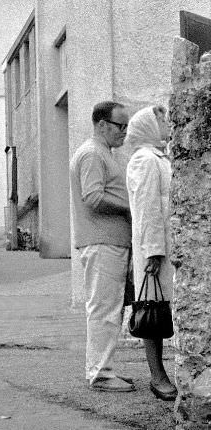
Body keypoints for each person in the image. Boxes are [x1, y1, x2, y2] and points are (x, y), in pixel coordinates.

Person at [69, 101, 134, 392]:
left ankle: (103, 369)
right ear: (102, 125)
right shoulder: (93, 153)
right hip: (102, 242)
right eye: (121, 126)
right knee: (104, 310)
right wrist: (131, 206)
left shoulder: (101, 153)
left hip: (107, 241)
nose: (125, 132)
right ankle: (101, 374)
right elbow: (93, 198)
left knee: (110, 308)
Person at [125, 105, 177, 401]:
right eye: (162, 120)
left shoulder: (159, 158)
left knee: (162, 308)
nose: (168, 124)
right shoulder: (144, 160)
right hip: (155, 250)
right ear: (148, 127)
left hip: (165, 247)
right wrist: (154, 252)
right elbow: (146, 209)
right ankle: (157, 376)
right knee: (152, 311)